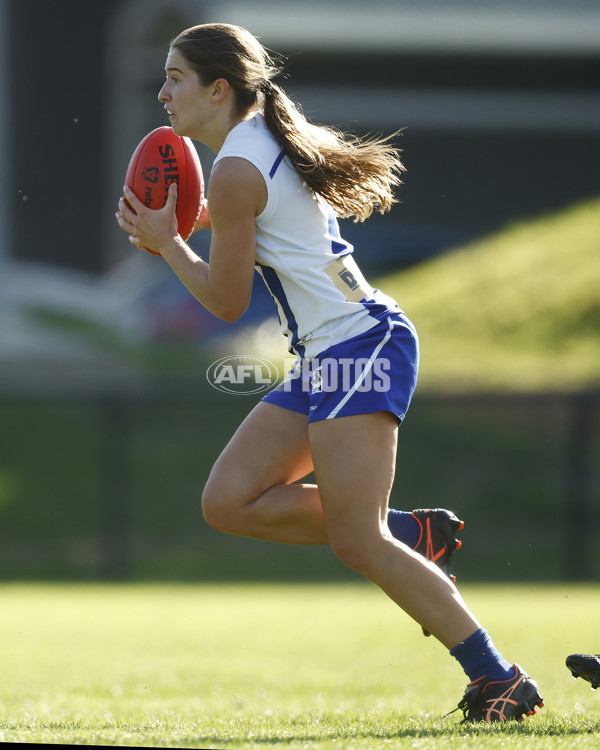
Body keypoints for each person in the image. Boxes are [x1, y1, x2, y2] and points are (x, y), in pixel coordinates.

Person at [115, 22, 544, 722]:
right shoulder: (254, 144)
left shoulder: (232, 169)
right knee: (228, 501)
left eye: (175, 79)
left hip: (359, 345)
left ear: (218, 88)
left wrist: (165, 243)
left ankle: (497, 679)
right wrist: (184, 236)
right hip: (334, 351)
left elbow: (225, 303)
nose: (162, 94)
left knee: (356, 539)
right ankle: (409, 533)